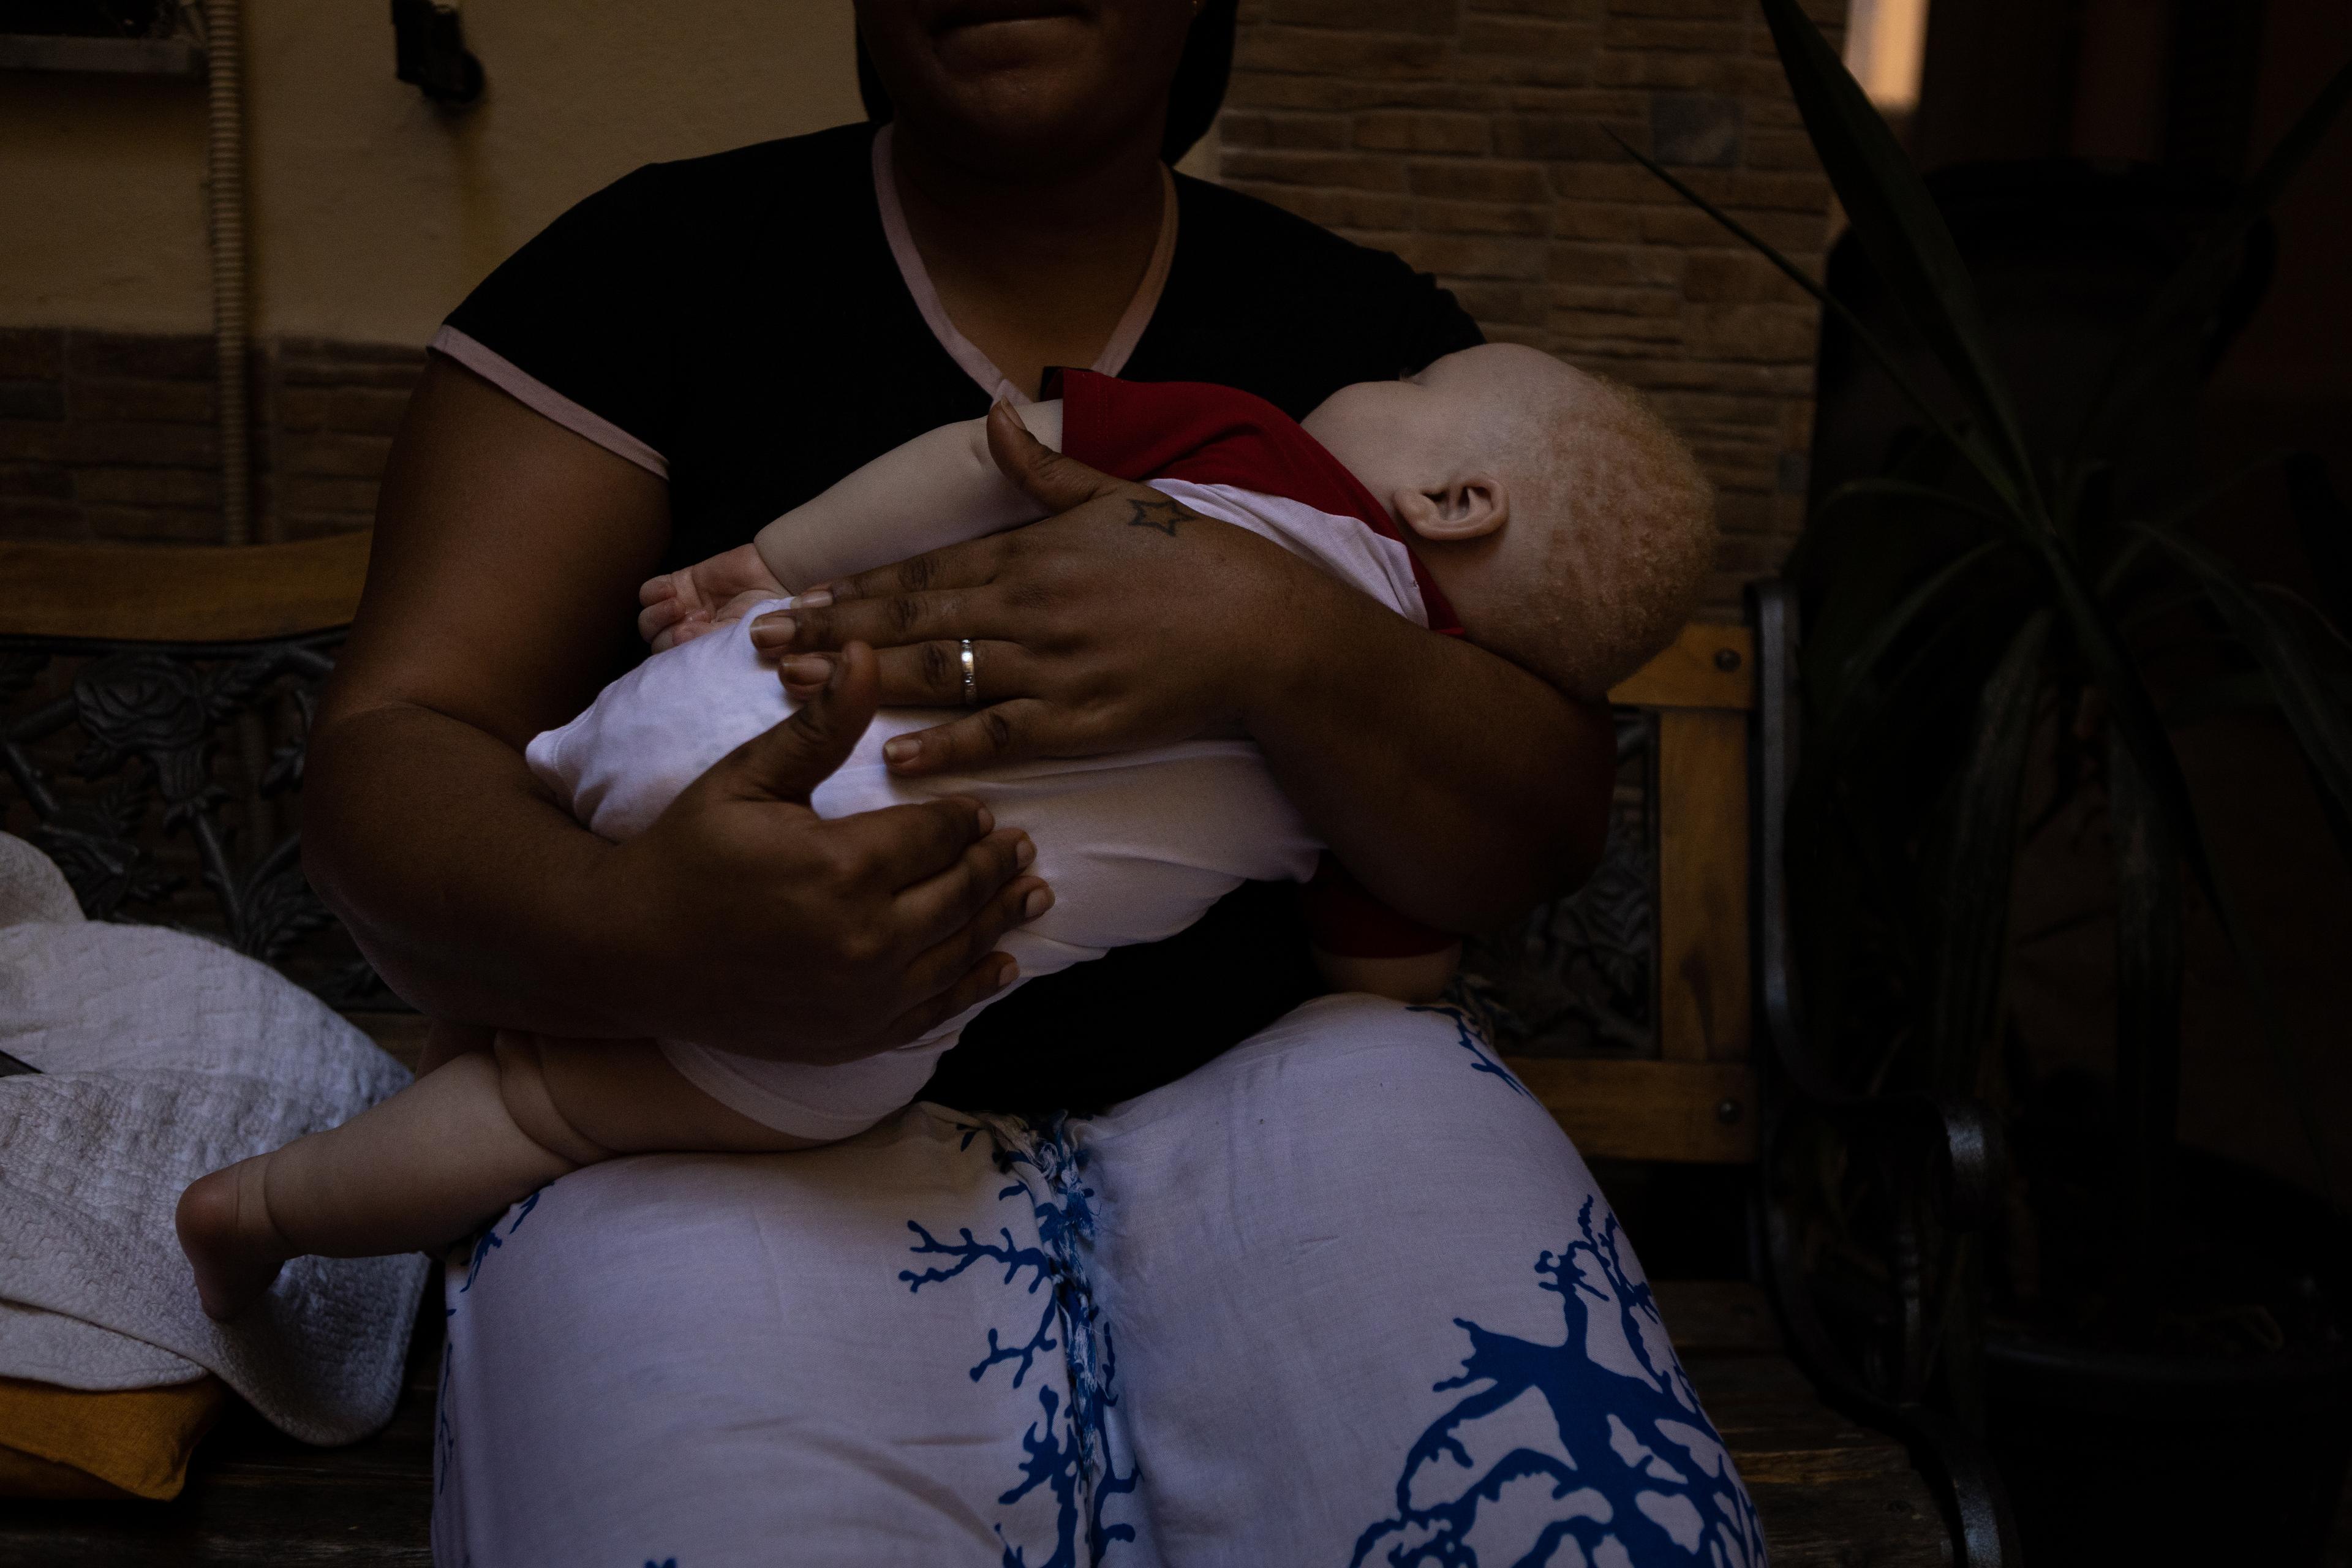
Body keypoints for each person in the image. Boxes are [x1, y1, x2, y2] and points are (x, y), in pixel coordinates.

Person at [302, 1, 1768, 1561]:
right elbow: (395, 761)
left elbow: (1532, 814)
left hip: (1275, 1090)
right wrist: (644, 924)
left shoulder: (1363, 336)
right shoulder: (655, 271)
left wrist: (1272, 631)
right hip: (725, 1093)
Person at [176, 349, 1716, 1318]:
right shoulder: (1390, 770)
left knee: (569, 999)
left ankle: (485, 1019)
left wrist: (763, 560)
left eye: (1419, 376)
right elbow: (1378, 994)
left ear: (1454, 496)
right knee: (559, 1116)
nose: (1371, 378)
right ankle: (265, 1214)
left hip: (702, 702)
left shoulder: (1246, 455)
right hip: (864, 940)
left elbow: (986, 451)